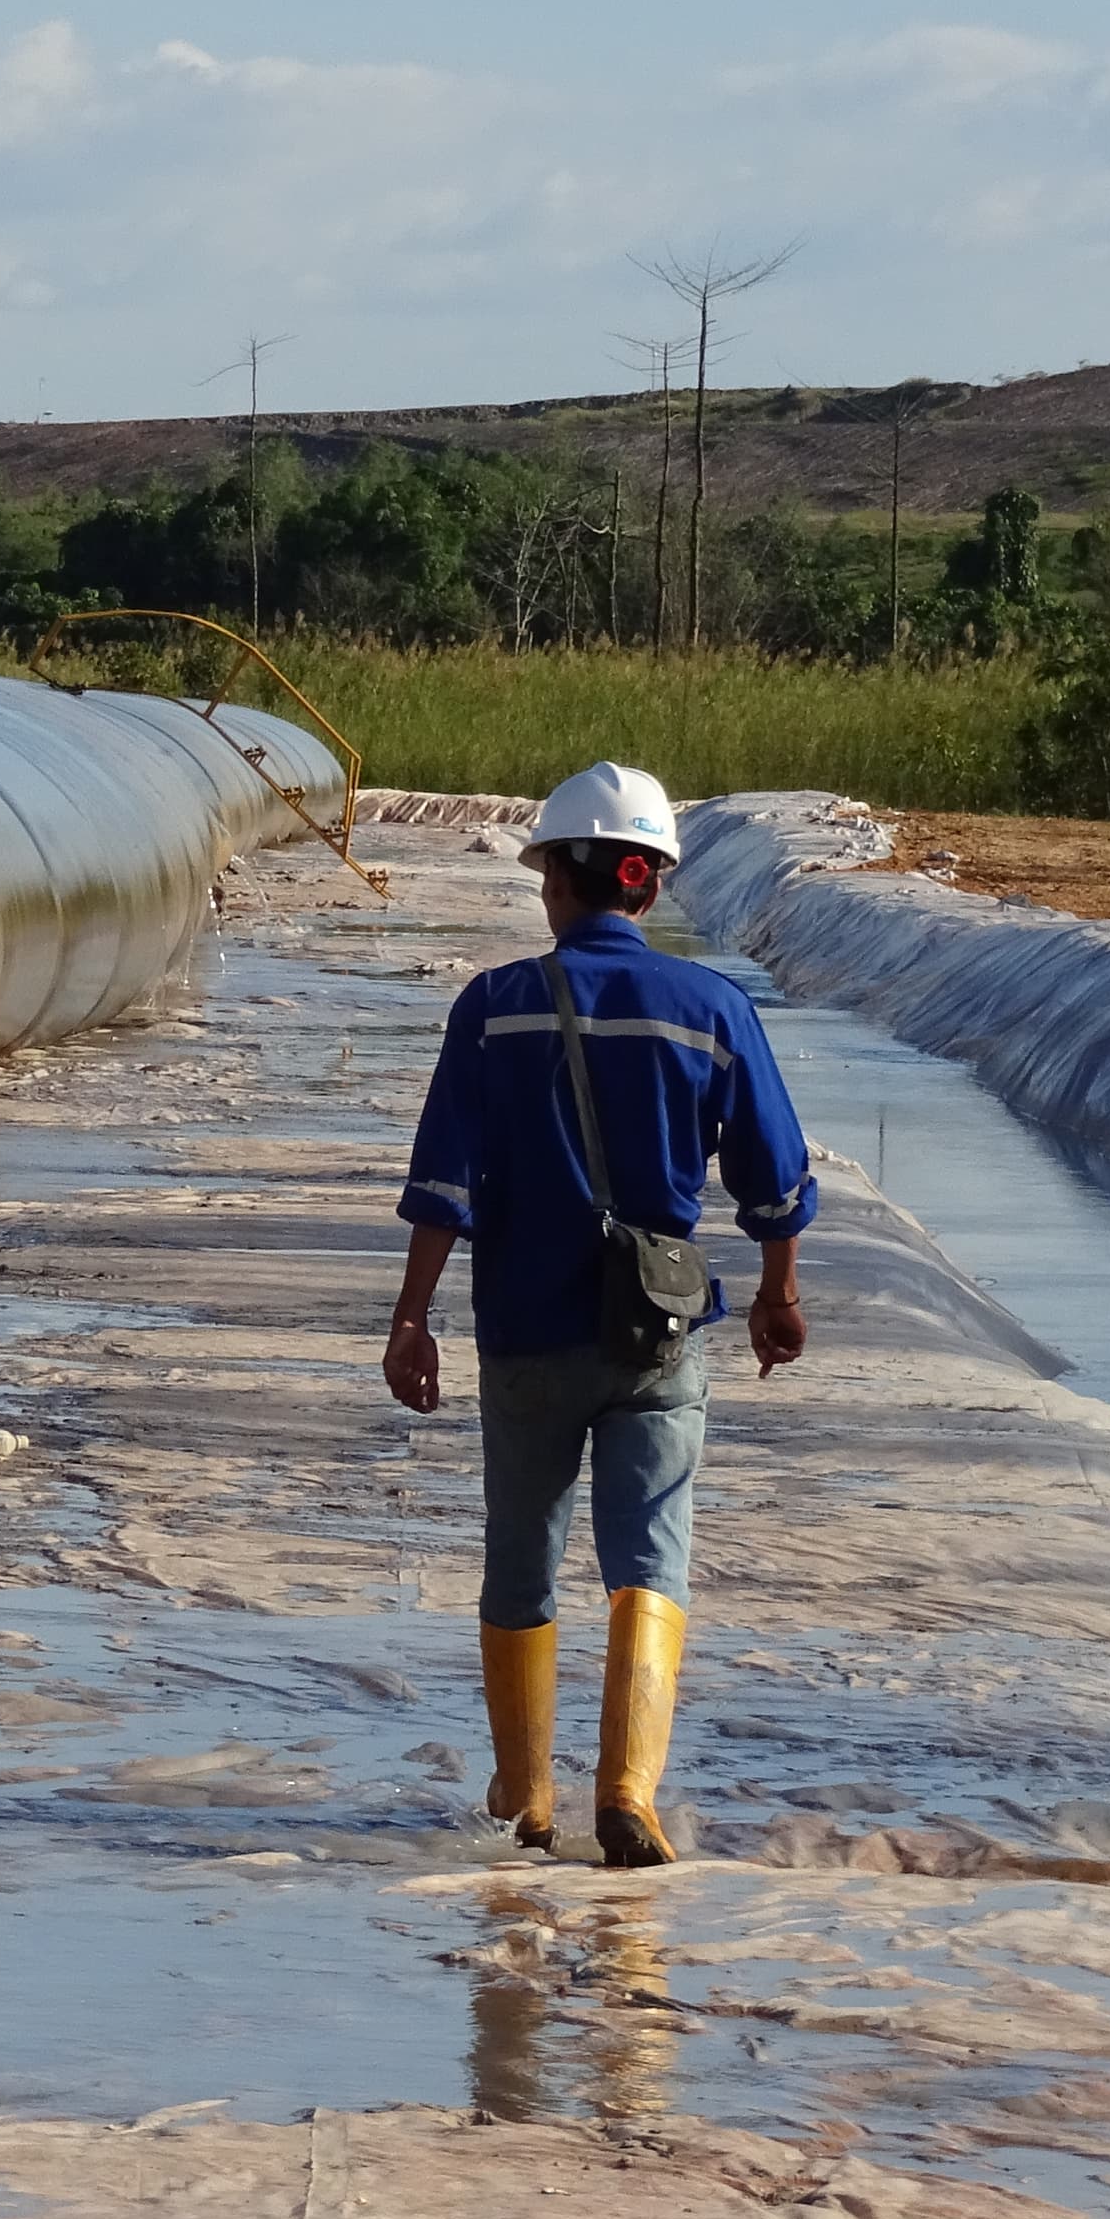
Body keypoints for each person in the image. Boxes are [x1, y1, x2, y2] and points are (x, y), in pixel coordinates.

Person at [381, 762, 814, 1866]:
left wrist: (411, 1317)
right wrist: (778, 1294)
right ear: (649, 887)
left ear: (553, 885)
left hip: (524, 1327)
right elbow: (774, 1175)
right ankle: (628, 1790)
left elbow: (446, 1180)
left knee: (522, 1558)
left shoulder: (493, 1008)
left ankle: (526, 1800)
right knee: (648, 1556)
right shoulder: (714, 1009)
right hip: (655, 1333)